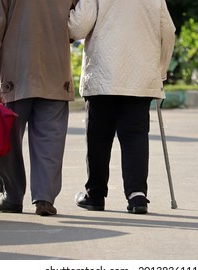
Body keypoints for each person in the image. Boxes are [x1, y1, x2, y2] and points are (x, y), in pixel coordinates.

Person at [68, 0, 176, 214]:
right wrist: (160, 70)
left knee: (99, 136)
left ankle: (95, 195)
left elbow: (78, 27)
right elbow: (168, 31)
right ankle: (137, 196)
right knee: (135, 135)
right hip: (140, 76)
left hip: (103, 75)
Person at [0, 0, 78, 216]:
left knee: (10, 138)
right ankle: (44, 198)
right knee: (51, 139)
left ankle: (12, 197)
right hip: (56, 68)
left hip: (17, 70)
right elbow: (81, 17)